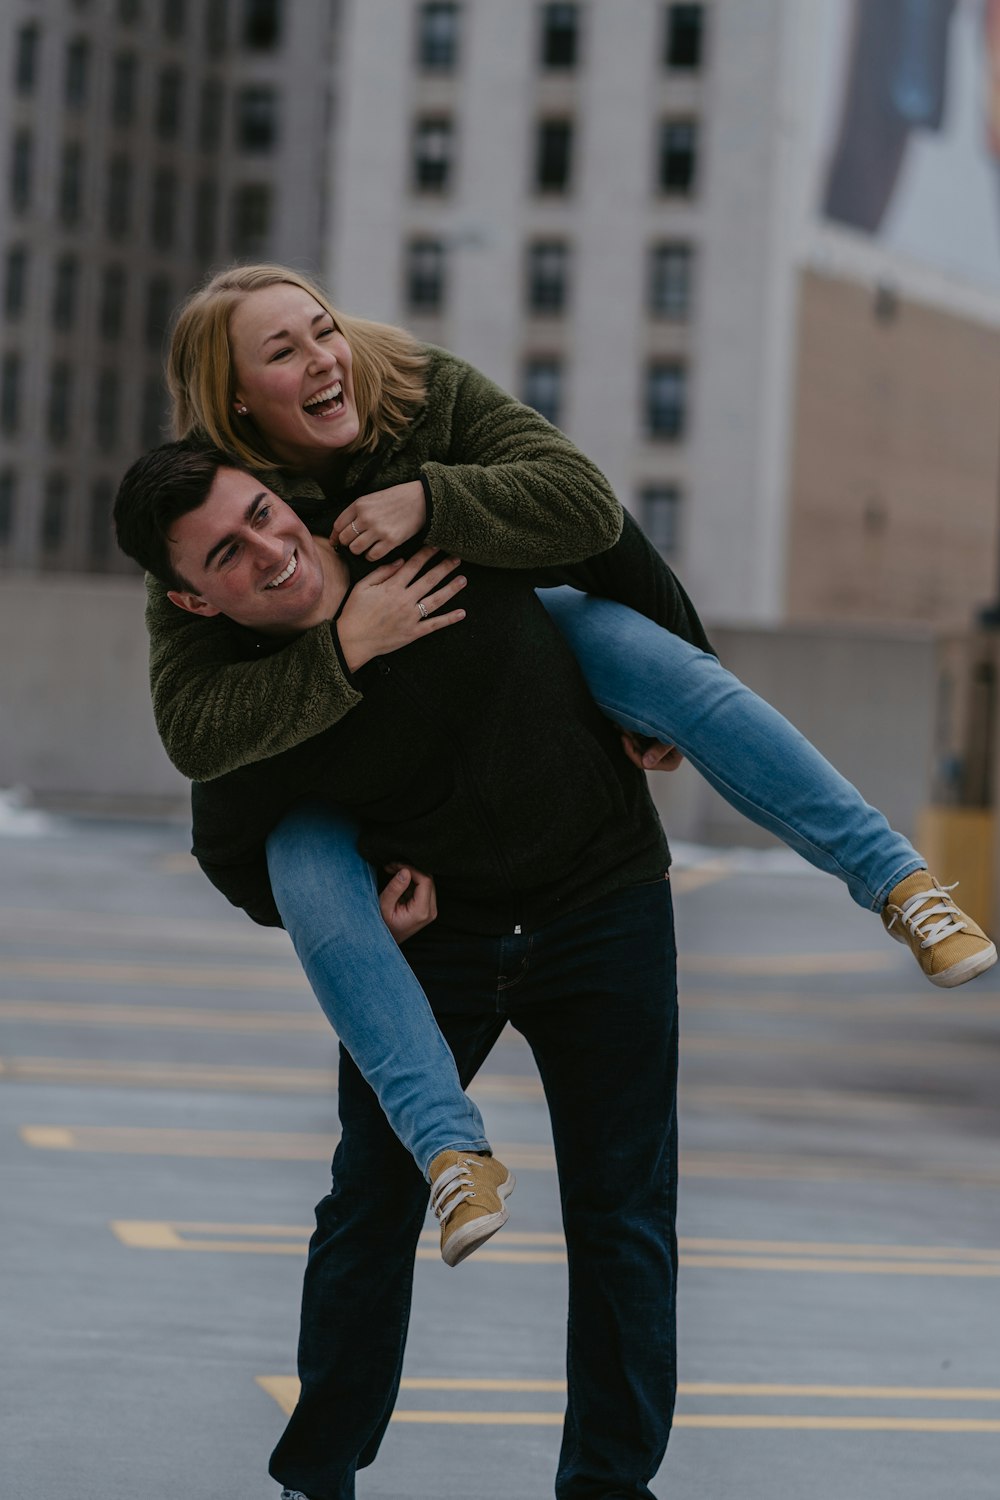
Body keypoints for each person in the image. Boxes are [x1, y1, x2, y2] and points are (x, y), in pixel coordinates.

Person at [145, 262, 994, 1001]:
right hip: (399, 801)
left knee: (640, 653)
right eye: (283, 352)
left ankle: (899, 883)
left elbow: (590, 509)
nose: (324, 359)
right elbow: (197, 731)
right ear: (236, 398)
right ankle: (452, 1163)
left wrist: (434, 501)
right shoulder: (210, 514)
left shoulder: (419, 389)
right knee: (374, 1160)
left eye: (322, 329)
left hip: (517, 644)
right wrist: (342, 646)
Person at [115, 439, 698, 1500]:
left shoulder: (414, 532)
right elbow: (234, 847)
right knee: (370, 1202)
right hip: (437, 944)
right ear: (193, 602)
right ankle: (319, 1476)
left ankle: (610, 1484)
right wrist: (368, 891)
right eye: (226, 555)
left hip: (598, 896)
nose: (267, 550)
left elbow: (603, 531)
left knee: (624, 1211)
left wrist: (671, 670)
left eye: (259, 513)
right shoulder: (249, 693)